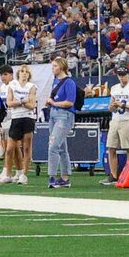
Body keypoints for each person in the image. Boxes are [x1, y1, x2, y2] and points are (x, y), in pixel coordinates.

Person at [43, 58, 78, 188]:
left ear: (61, 67)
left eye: (55, 66)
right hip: (54, 114)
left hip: (64, 115)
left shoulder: (69, 82)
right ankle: (65, 177)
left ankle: (52, 176)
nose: (53, 68)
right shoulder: (55, 81)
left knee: (53, 146)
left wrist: (54, 103)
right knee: (62, 148)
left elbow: (70, 102)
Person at [2, 63, 37, 184]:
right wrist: (22, 101)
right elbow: (9, 103)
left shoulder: (31, 86)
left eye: (26, 72)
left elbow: (32, 105)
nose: (24, 73)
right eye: (22, 71)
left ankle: (24, 174)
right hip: (16, 117)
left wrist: (20, 102)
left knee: (26, 147)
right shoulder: (13, 85)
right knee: (10, 148)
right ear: (18, 73)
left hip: (27, 118)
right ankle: (7, 174)